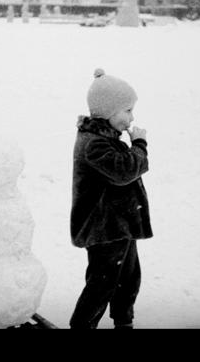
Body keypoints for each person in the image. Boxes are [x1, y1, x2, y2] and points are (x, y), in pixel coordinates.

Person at [69, 68, 152, 329]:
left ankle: (123, 320)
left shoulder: (105, 137)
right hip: (103, 228)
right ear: (107, 111)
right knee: (102, 283)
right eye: (127, 110)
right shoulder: (94, 143)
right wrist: (139, 145)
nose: (131, 117)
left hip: (118, 225)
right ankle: (81, 325)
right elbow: (125, 171)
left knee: (128, 277)